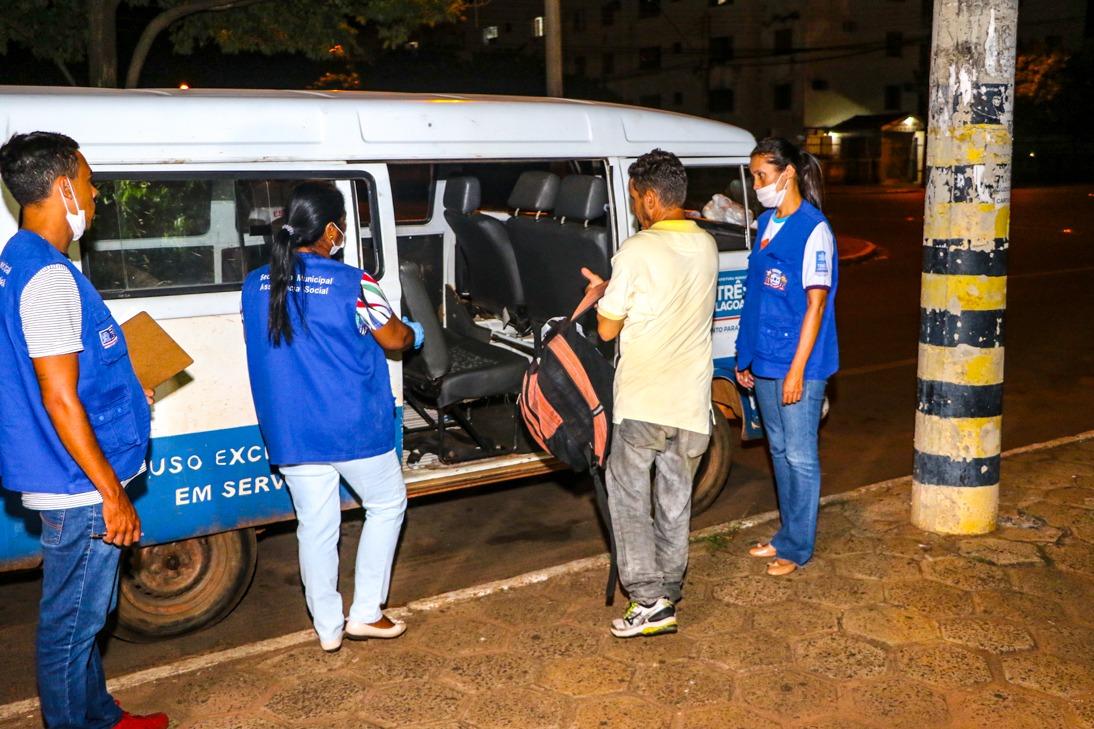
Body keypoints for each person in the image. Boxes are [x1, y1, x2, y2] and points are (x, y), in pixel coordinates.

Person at [0, 132, 168, 729]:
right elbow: (59, 397)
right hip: (78, 486)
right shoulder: (47, 276)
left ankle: (101, 716)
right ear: (64, 186)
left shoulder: (16, 261)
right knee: (70, 628)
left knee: (86, 619)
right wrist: (113, 493)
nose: (95, 198)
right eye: (91, 183)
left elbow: (44, 372)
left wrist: (127, 388)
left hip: (68, 474)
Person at [241, 181, 424, 652]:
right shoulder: (353, 283)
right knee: (386, 505)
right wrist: (417, 333)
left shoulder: (257, 283)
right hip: (351, 426)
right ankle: (365, 613)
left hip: (291, 430)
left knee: (316, 525)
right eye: (341, 223)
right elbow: (394, 339)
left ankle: (327, 627)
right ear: (330, 229)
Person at [581, 149, 718, 638]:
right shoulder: (706, 245)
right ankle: (669, 591)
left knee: (630, 499)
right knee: (675, 503)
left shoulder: (636, 249)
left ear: (653, 198)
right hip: (692, 404)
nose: (636, 207)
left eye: (637, 197)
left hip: (644, 400)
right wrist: (617, 288)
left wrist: (605, 293)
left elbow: (606, 330)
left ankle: (646, 600)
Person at [734, 137, 839, 577]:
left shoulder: (814, 229)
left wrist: (798, 370)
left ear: (788, 173)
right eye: (754, 175)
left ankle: (797, 548)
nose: (757, 183)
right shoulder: (766, 222)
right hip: (766, 357)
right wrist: (745, 356)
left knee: (800, 455)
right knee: (777, 449)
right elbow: (756, 295)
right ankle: (785, 533)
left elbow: (816, 304)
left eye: (762, 175)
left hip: (800, 362)